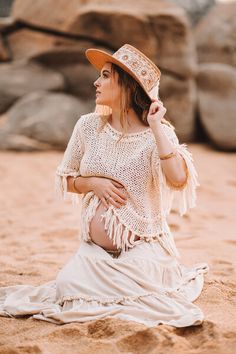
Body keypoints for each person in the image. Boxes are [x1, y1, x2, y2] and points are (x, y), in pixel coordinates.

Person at [0, 44, 208, 327]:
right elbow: (66, 179)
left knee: (141, 296)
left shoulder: (157, 134)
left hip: (144, 251)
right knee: (69, 287)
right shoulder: (88, 126)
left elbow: (178, 178)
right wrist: (92, 183)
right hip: (94, 253)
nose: (96, 82)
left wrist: (158, 127)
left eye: (106, 76)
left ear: (127, 84)